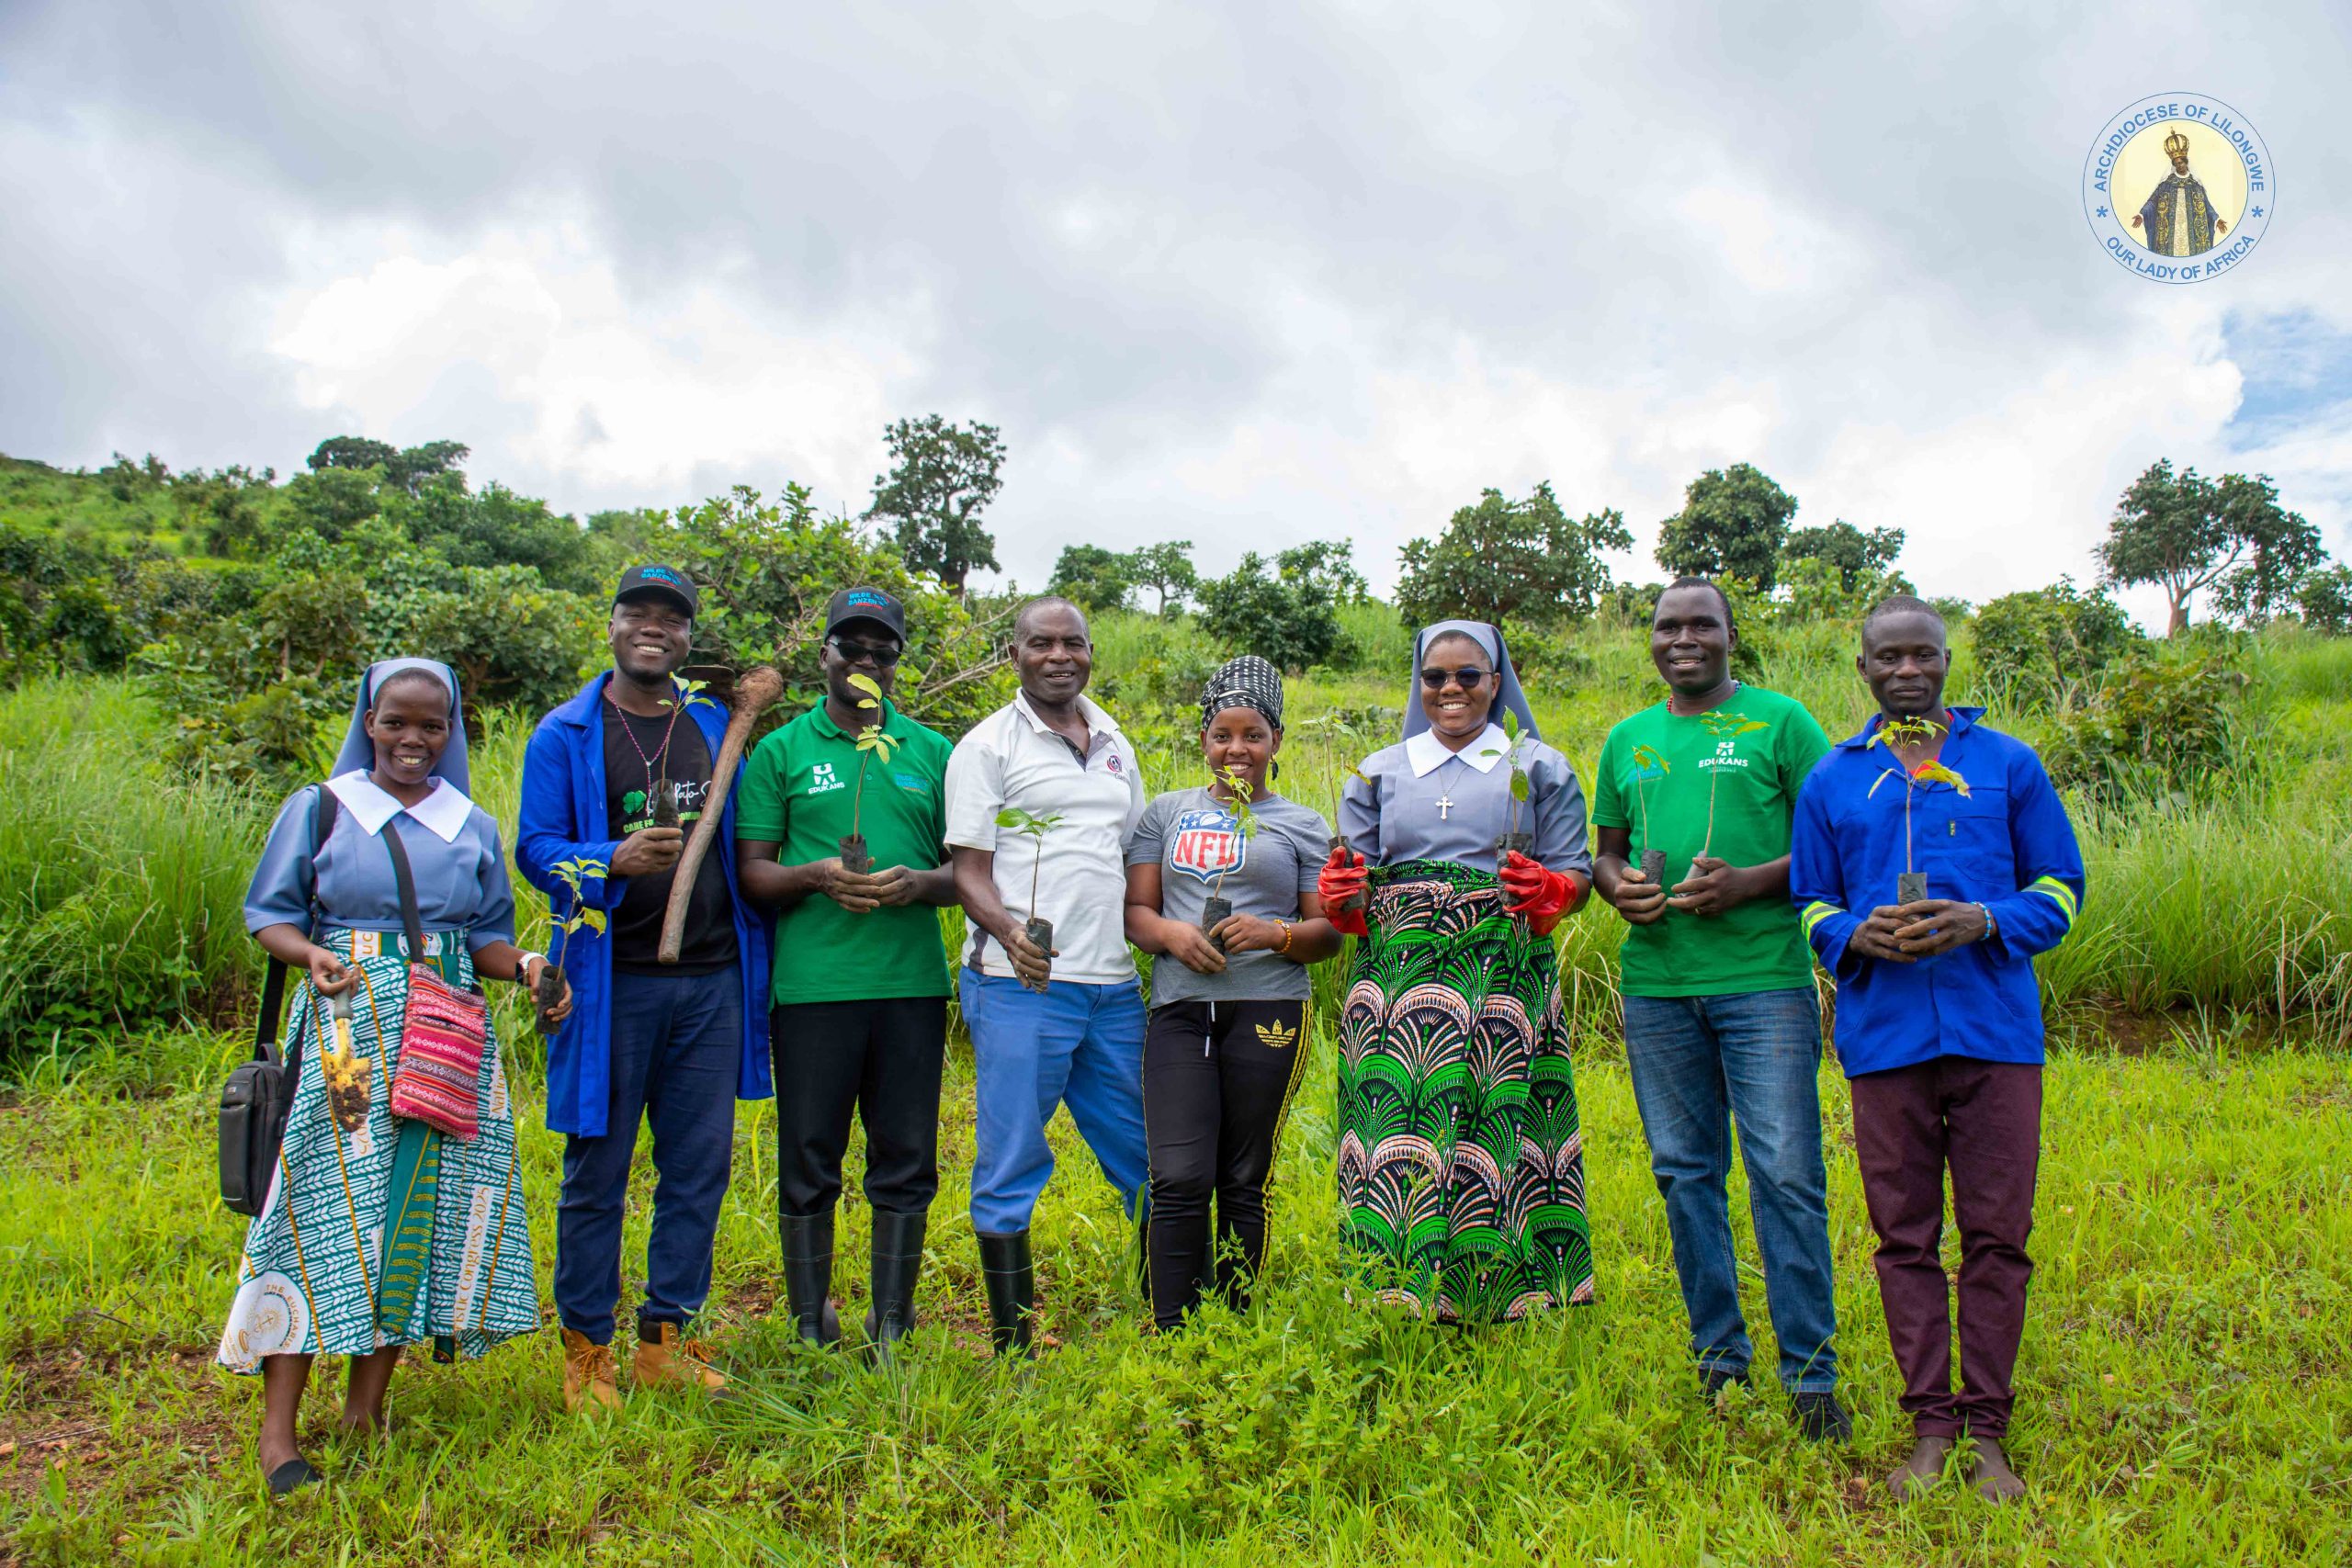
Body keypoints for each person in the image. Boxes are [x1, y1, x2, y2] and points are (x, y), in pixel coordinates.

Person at [220, 659, 561, 1495]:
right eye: (396, 722)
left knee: (420, 1200)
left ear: (453, 733)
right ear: (368, 721)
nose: (414, 741)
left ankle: (367, 1409)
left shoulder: (471, 824)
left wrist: (523, 963)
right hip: (349, 1033)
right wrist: (311, 955)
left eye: (432, 726)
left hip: (447, 1034)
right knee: (323, 1208)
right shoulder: (324, 808)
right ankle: (277, 1436)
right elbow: (270, 913)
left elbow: (483, 937)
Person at [1790, 594, 2086, 1504]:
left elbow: (2063, 889)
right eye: (1889, 658)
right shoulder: (1834, 779)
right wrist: (1851, 937)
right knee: (1903, 1238)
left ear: (1948, 660)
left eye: (1923, 654)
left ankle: (1987, 1430)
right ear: (1864, 671)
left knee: (1998, 1236)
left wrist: (1983, 919)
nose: (1907, 670)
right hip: (1883, 1041)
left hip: (1995, 1034)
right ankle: (1930, 1427)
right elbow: (1808, 900)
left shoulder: (2007, 766)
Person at [1589, 578, 1848, 1440]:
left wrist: (1747, 884)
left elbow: (1831, 842)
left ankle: (1812, 1375)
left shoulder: (1782, 722)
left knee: (1785, 1174)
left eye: (1703, 624)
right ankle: (1720, 1362)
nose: (1684, 638)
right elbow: (1609, 853)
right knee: (1683, 1172)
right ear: (1652, 640)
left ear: (1733, 634)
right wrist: (1619, 889)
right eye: (1668, 626)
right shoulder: (1629, 738)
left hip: (1764, 981)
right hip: (1659, 986)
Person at [516, 565, 773, 1410]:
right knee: (597, 1169)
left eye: (672, 617)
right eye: (639, 613)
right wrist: (606, 862)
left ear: (688, 637)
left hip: (711, 982)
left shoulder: (712, 723)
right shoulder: (568, 732)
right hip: (609, 985)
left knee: (698, 1169)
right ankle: (587, 1349)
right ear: (614, 624)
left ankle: (669, 1339)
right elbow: (534, 847)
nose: (654, 628)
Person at [1322, 620, 1595, 1324]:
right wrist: (1343, 898)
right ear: (1418, 684)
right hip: (1396, 978)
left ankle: (1493, 1294)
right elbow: (1354, 882)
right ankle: (1392, 1288)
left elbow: (1576, 873)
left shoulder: (1539, 767)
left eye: (1468, 675)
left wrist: (1551, 890)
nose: (1451, 690)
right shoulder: (1377, 770)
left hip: (1503, 971)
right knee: (1394, 1127)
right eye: (1435, 676)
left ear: (1497, 682)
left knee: (1494, 1124)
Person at [736, 588, 957, 1354]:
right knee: (807, 1153)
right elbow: (754, 876)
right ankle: (808, 1322)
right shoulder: (781, 751)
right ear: (823, 653)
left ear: (898, 663)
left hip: (911, 987)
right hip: (814, 988)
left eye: (882, 650)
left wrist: (918, 883)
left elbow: (968, 873)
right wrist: (819, 874)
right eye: (851, 646)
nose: (866, 661)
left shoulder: (929, 753)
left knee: (905, 1154)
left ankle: (892, 1320)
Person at [944, 596, 1149, 1354]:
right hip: (1019, 985)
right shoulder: (987, 747)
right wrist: (1008, 932)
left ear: (1091, 651)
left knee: (1149, 1149)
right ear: (1014, 654)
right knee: (1013, 1154)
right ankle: (1013, 1342)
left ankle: (1169, 1313)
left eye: (1073, 643)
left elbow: (1130, 859)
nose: (1059, 655)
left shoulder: (1116, 741)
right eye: (1041, 644)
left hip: (1114, 989)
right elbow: (967, 871)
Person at [1124, 656, 1343, 1330]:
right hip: (1181, 1010)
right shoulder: (1166, 813)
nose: (1237, 749)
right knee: (1180, 1175)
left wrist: (1274, 932)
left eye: (1252, 734)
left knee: (1244, 1177)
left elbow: (1327, 932)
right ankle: (1174, 1326)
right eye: (1222, 734)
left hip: (1270, 1007)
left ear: (1276, 740)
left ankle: (1234, 1319)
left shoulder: (1304, 823)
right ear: (1203, 742)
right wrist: (1169, 935)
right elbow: (1136, 911)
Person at [2132, 128, 2226, 257]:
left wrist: (2217, 220)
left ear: (2186, 163)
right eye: (2176, 164)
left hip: (2192, 232)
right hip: (2170, 234)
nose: (2179, 166)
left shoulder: (2195, 184)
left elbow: (2207, 206)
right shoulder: (2167, 184)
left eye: (2181, 163)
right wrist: (2141, 215)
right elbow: (2152, 201)